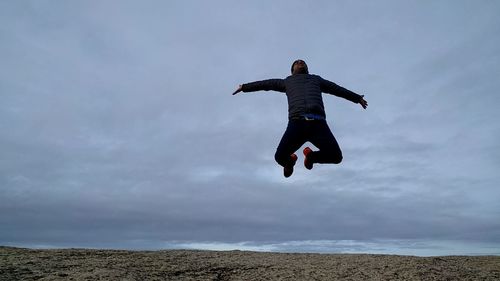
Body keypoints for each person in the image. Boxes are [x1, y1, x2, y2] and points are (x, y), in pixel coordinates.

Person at [232, 59, 368, 178]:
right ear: (292, 71)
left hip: (319, 124)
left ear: (307, 69)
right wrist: (244, 87)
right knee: (279, 157)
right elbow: (266, 84)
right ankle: (290, 161)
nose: (300, 62)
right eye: (296, 62)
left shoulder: (316, 80)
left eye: (302, 62)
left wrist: (357, 98)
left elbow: (336, 89)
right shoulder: (287, 82)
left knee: (336, 156)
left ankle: (311, 157)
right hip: (297, 123)